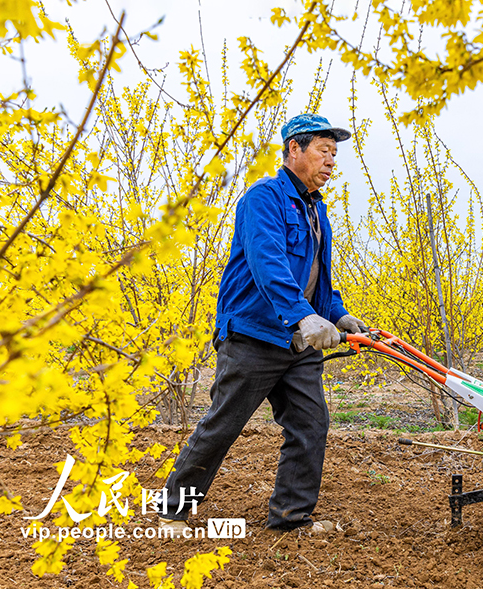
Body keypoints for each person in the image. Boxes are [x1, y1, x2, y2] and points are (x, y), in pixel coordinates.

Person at [157, 113, 367, 535]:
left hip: (298, 342)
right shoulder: (263, 199)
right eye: (323, 151)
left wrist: (336, 312)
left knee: (310, 424)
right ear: (295, 149)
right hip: (254, 335)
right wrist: (304, 316)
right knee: (224, 423)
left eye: (334, 154)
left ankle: (291, 518)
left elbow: (314, 277)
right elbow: (268, 264)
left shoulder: (316, 210)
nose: (331, 162)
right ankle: (174, 510)